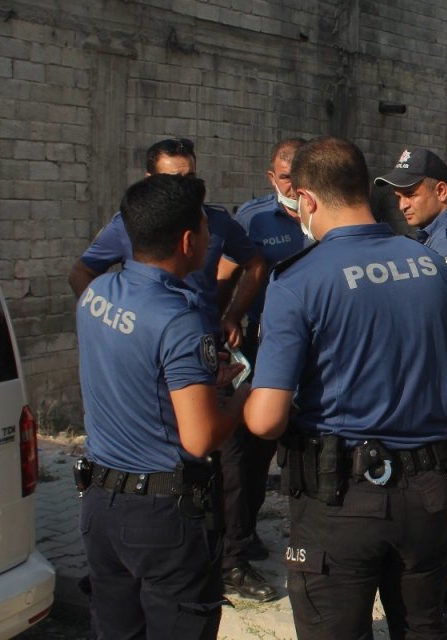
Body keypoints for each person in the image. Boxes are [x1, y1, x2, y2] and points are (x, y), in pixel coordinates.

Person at [243, 136, 447, 639]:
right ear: (363, 190)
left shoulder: (298, 281)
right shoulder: (430, 265)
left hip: (341, 500)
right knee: (422, 628)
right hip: (428, 494)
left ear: (305, 200)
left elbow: (265, 419)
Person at [76, 173, 248, 638]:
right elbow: (200, 437)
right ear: (189, 240)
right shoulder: (180, 320)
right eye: (208, 230)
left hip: (100, 506)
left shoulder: (95, 296)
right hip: (161, 518)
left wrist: (194, 380)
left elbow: (132, 369)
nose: (212, 239)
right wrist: (244, 395)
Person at [375, 147, 447, 636]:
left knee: (438, 492)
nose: (402, 203)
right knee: (433, 489)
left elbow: (420, 299)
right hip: (442, 371)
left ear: (440, 191)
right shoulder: (430, 236)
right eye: (398, 194)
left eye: (410, 192)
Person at [217, 138, 311, 602]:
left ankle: (272, 539)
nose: (291, 185)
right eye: (284, 176)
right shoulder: (252, 220)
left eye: (299, 175)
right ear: (271, 177)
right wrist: (228, 321)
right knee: (245, 457)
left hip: (315, 360)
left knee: (297, 454)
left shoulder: (328, 215)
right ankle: (231, 555)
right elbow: (226, 278)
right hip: (261, 354)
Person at [68, 138, 267, 344]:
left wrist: (232, 316)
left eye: (190, 177)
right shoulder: (129, 224)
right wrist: (108, 323)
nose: (184, 188)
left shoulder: (215, 220)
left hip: (201, 342)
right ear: (149, 180)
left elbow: (255, 264)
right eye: (172, 180)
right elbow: (81, 272)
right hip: (147, 345)